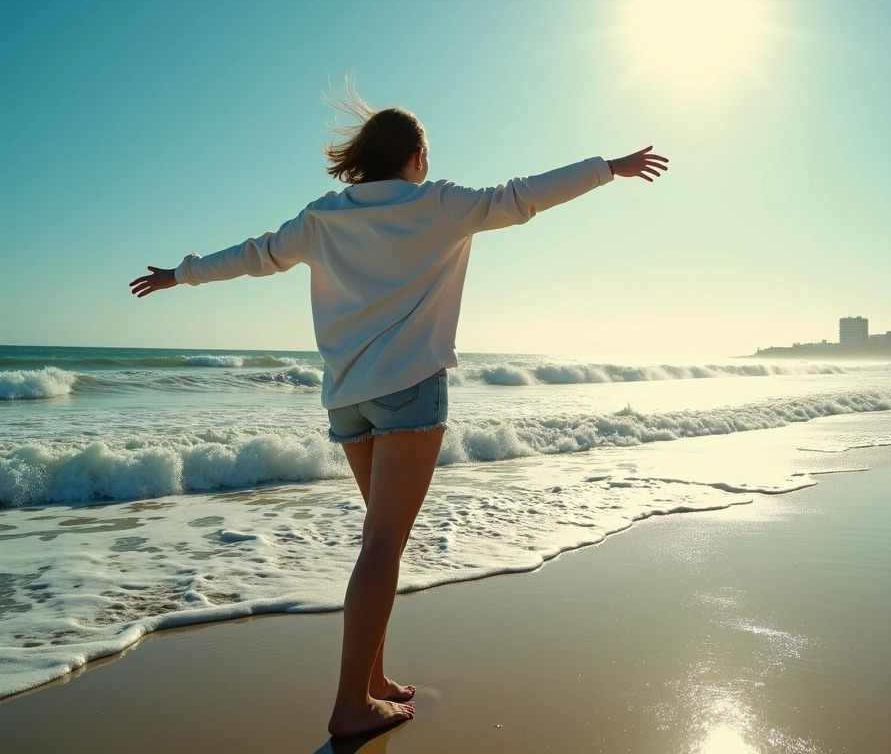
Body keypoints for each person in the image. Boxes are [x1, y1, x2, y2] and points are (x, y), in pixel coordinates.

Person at [129, 87, 669, 738]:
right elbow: (522, 196)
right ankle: (351, 705)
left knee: (377, 541)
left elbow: (254, 255)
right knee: (384, 544)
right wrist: (606, 168)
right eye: (427, 155)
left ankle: (374, 680)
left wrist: (179, 275)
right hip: (410, 392)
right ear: (416, 158)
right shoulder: (438, 203)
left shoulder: (323, 217)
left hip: (348, 399)